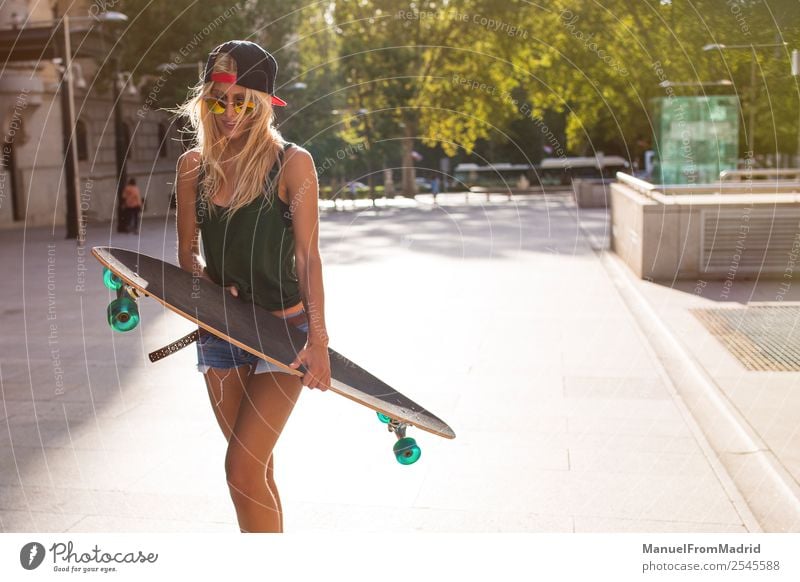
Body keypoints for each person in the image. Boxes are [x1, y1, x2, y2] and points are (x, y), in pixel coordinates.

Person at [174, 40, 331, 533]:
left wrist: (319, 340)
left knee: (240, 469)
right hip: (221, 333)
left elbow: (308, 257)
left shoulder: (293, 164)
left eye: (243, 101)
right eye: (218, 100)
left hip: (284, 336)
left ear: (264, 104)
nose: (228, 112)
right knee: (253, 470)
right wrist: (208, 288)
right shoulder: (193, 168)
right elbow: (187, 255)